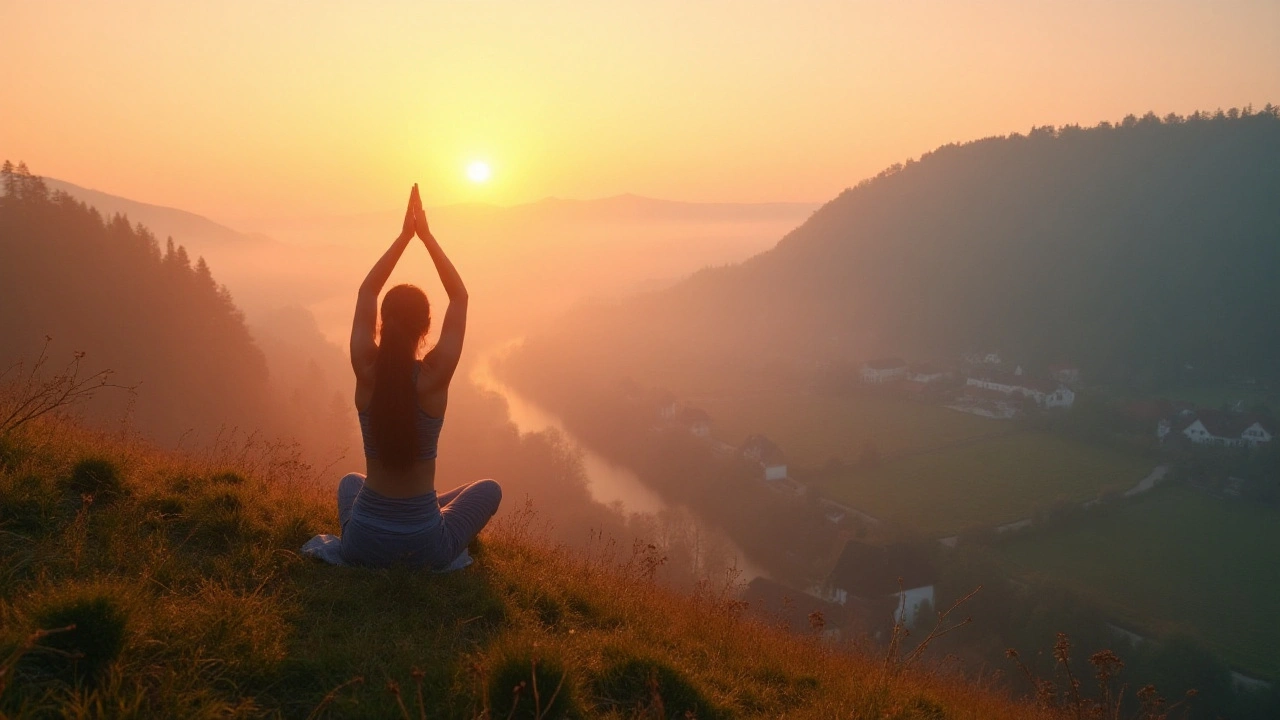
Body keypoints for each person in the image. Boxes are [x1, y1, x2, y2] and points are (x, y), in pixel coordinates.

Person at [336, 184, 501, 569]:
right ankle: (426, 507)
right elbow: (459, 297)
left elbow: (366, 290)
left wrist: (403, 238)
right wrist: (426, 237)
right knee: (489, 489)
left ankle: (413, 511)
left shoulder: (365, 367)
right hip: (423, 546)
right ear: (425, 328)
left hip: (361, 544)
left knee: (350, 481)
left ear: (382, 323)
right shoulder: (433, 377)